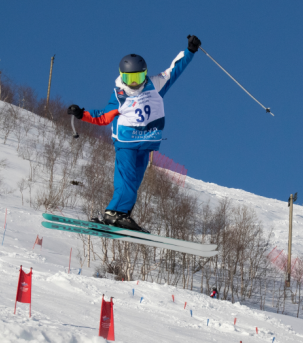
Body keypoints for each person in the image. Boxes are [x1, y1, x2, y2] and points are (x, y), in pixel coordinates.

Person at [67, 35, 202, 232]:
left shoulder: (154, 84)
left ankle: (122, 214)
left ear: (144, 75)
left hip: (145, 144)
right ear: (121, 76)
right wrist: (82, 114)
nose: (133, 83)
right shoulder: (119, 96)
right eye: (128, 79)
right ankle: (114, 213)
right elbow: (102, 116)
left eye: (137, 78)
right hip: (126, 143)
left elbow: (175, 70)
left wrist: (189, 51)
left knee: (135, 181)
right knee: (126, 179)